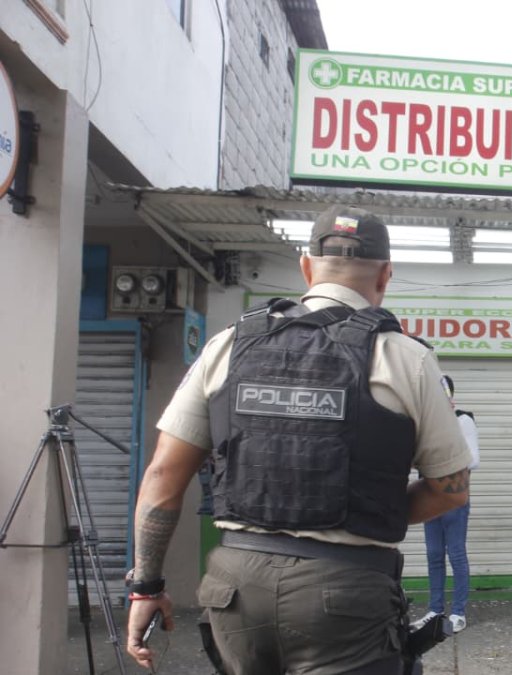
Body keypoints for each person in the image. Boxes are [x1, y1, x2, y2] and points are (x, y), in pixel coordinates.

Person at [125, 205, 473, 674]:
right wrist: (364, 510)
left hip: (235, 589)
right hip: (345, 591)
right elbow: (449, 489)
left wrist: (146, 587)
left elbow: (164, 476)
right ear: (386, 275)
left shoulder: (227, 345)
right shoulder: (405, 358)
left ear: (306, 267)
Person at [418, 374, 479, 633]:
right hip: (429, 496)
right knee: (433, 554)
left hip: (453, 496)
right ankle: (435, 609)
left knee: (455, 553)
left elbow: (473, 460)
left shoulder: (462, 420)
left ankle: (458, 611)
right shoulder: (425, 421)